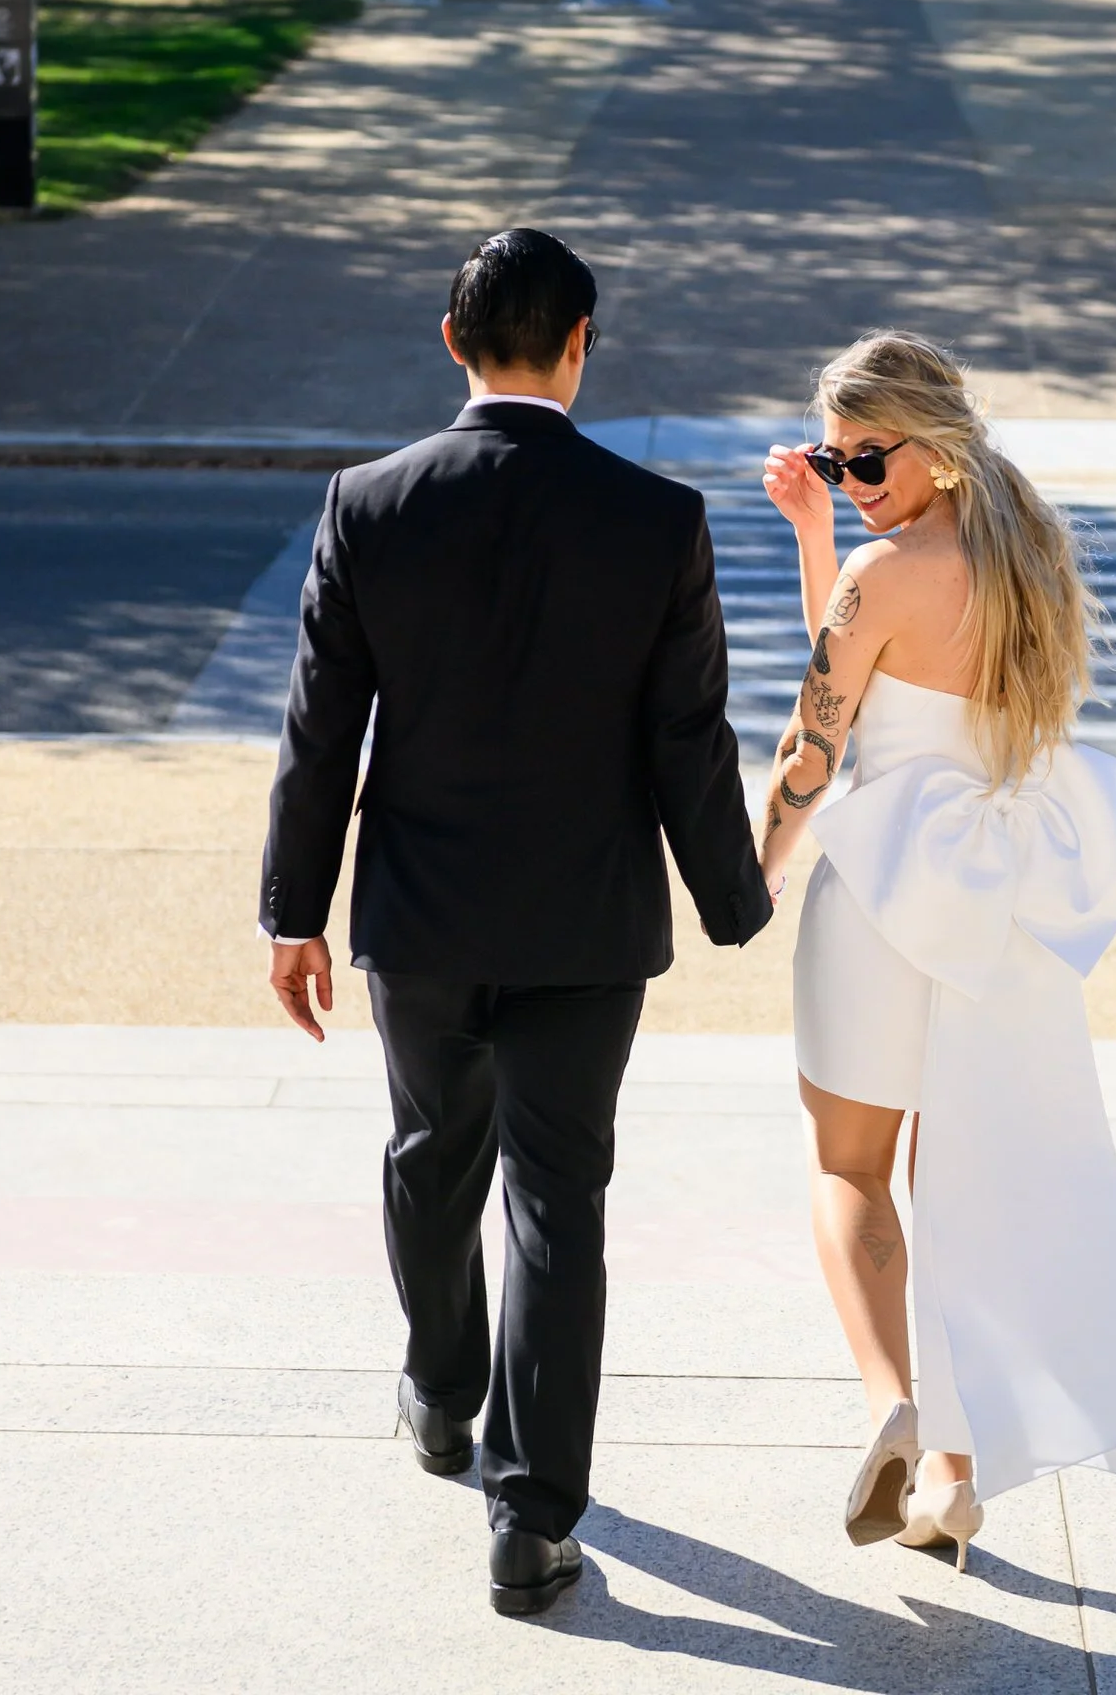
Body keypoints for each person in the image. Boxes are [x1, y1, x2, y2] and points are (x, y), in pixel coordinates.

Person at [260, 229, 773, 1616]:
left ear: (451, 341)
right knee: (558, 1207)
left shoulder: (369, 502)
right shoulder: (656, 519)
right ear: (582, 343)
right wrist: (737, 898)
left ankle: (441, 1396)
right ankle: (531, 1520)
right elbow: (689, 739)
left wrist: (291, 915)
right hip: (587, 927)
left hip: (420, 918)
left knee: (431, 1155)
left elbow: (322, 735)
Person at [758, 332, 1116, 1566]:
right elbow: (892, 684)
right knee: (958, 1185)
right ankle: (950, 1475)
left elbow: (818, 746)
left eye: (867, 459)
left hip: (881, 900)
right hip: (991, 910)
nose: (853, 480)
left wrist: (757, 870)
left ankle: (897, 1400)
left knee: (850, 1175)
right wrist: (817, 538)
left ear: (933, 447)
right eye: (836, 464)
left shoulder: (882, 580)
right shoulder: (1034, 561)